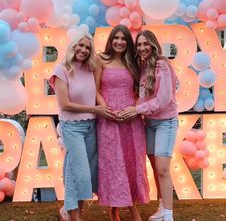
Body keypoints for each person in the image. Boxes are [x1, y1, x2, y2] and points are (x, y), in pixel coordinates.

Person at [49, 33, 113, 221]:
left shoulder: (90, 69)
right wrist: (96, 109)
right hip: (72, 127)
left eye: (87, 48)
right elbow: (65, 104)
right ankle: (74, 215)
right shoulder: (61, 70)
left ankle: (72, 213)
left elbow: (97, 93)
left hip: (91, 126)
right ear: (73, 46)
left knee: (85, 173)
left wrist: (107, 110)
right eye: (80, 45)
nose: (83, 50)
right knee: (81, 173)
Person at [120, 30, 178, 221]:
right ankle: (162, 208)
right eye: (139, 45)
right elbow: (143, 96)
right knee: (155, 168)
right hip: (150, 123)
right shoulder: (143, 67)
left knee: (162, 169)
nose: (143, 48)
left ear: (153, 45)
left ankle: (168, 216)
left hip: (165, 123)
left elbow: (163, 99)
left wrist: (137, 110)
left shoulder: (162, 65)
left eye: (146, 44)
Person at [95, 25, 150, 221]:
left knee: (131, 163)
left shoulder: (134, 62)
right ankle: (127, 211)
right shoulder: (101, 59)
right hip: (109, 119)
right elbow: (95, 89)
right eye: (116, 38)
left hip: (131, 119)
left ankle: (118, 208)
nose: (119, 42)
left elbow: (140, 90)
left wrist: (134, 109)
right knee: (114, 164)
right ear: (111, 40)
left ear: (128, 42)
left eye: (123, 39)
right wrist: (105, 109)